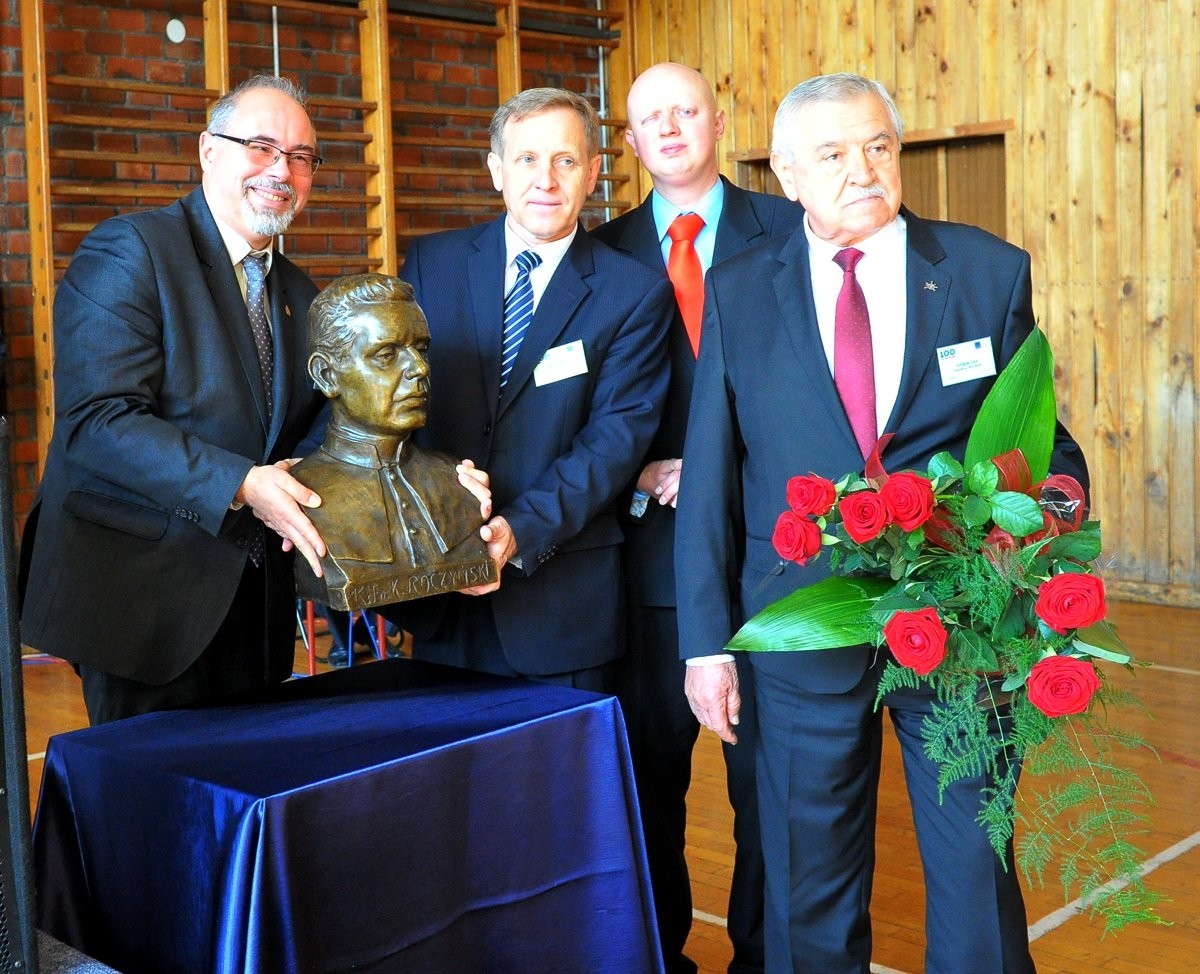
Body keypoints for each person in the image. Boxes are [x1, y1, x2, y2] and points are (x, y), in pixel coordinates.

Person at [674, 72, 1089, 973]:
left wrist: (1049, 516)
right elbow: (710, 473)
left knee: (976, 864)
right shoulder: (739, 289)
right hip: (801, 623)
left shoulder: (986, 270)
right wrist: (705, 645)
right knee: (806, 880)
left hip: (961, 622)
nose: (861, 169)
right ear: (787, 173)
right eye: (831, 154)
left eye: (877, 147)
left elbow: (1042, 442)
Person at [592, 62, 802, 974]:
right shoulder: (598, 255)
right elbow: (575, 418)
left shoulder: (792, 228)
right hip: (646, 575)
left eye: (687, 110)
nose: (671, 128)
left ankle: (762, 959)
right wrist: (639, 469)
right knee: (648, 796)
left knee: (771, 799)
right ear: (631, 142)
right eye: (651, 118)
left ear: (720, 121)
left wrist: (721, 472)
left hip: (772, 566)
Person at [381, 87, 674, 694]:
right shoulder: (434, 264)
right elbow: (389, 399)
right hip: (441, 595)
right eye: (527, 159)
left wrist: (519, 529)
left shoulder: (634, 291)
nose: (546, 179)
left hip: (561, 602)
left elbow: (614, 441)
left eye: (565, 160)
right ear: (496, 170)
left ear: (592, 172)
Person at [292, 273, 494, 610]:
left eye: (421, 349)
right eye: (386, 355)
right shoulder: (303, 492)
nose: (420, 368)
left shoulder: (455, 479)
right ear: (327, 375)